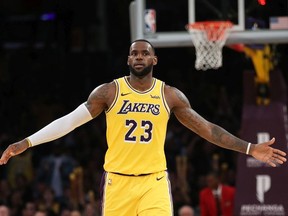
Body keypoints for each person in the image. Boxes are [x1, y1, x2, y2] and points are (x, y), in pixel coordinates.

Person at [0, 39, 286, 216]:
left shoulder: (170, 95)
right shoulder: (109, 92)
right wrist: (27, 142)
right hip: (117, 182)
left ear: (154, 60)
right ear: (128, 59)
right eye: (134, 53)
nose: (138, 56)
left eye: (144, 53)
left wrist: (250, 148)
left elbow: (208, 130)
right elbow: (70, 121)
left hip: (154, 182)